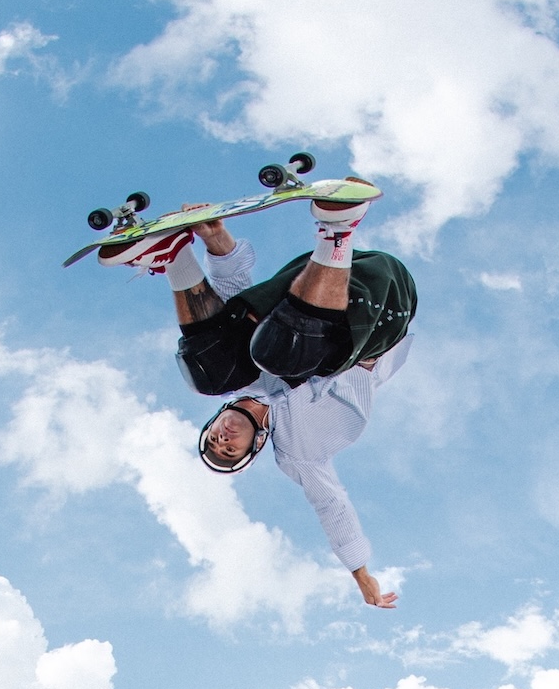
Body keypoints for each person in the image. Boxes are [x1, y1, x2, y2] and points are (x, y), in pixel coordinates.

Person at [102, 190, 416, 610]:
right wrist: (361, 575)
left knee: (215, 370)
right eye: (229, 448)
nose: (223, 438)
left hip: (316, 279)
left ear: (214, 423)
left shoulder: (238, 378)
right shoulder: (299, 454)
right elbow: (332, 507)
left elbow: (239, 299)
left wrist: (217, 242)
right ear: (255, 445)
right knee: (275, 355)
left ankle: (174, 255)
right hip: (382, 309)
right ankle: (338, 228)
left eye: (214, 439)